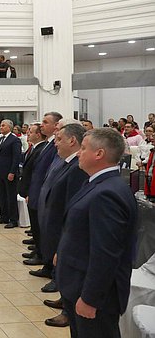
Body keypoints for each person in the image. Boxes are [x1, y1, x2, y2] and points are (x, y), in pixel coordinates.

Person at [56, 128, 137, 338]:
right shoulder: (96, 183)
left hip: (93, 294)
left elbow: (106, 253)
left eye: (83, 148)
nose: (79, 153)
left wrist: (91, 298)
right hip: (77, 283)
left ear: (99, 154)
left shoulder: (107, 193)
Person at [37, 123, 89, 326]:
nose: (55, 143)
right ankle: (65, 299)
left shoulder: (76, 167)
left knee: (68, 271)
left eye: (59, 139)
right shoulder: (66, 162)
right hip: (56, 223)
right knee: (64, 272)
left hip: (64, 227)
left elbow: (72, 204)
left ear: (72, 141)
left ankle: (68, 311)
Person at [26, 112, 62, 274]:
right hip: (38, 191)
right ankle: (44, 259)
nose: (42, 126)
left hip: (45, 192)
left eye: (45, 122)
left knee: (47, 231)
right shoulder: (48, 143)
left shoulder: (55, 145)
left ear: (56, 126)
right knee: (40, 228)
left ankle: (48, 263)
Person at [18, 124, 48, 262]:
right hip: (30, 190)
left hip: (34, 191)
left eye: (31, 132)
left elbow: (37, 173)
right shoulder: (34, 148)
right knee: (34, 224)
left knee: (37, 224)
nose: (28, 134)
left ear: (38, 134)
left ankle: (40, 254)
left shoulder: (42, 149)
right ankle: (37, 248)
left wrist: (31, 191)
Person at [0, 119, 23, 228]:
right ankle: (3, 216)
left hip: (9, 172)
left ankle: (13, 219)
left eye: (3, 125)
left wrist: (12, 172)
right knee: (2, 195)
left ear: (9, 127)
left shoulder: (14, 140)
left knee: (11, 196)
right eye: (0, 125)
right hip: (0, 172)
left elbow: (16, 157)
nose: (1, 127)